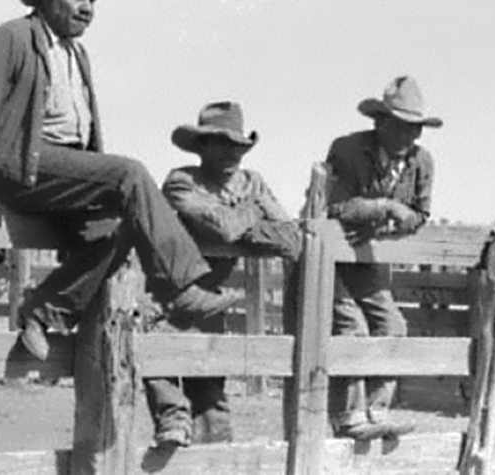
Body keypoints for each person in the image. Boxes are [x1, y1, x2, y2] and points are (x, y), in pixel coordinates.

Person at [0, 0, 239, 361]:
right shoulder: (8, 40)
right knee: (129, 174)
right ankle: (183, 289)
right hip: (20, 166)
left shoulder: (75, 53)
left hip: (61, 172)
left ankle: (45, 311)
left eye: (93, 0)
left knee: (117, 229)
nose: (87, 8)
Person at [143, 101, 301, 448]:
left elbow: (289, 234)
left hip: (211, 297)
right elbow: (222, 228)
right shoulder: (182, 181)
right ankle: (173, 423)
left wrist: (249, 222)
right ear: (202, 145)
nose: (232, 153)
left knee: (212, 405)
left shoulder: (251, 182)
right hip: (167, 295)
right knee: (161, 376)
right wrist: (255, 210)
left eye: (239, 146)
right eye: (221, 143)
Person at [324, 76, 440, 440]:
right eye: (403, 127)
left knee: (393, 326)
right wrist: (386, 206)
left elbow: (420, 213)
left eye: (416, 128)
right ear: (381, 123)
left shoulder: (422, 162)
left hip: (369, 258)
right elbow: (336, 206)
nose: (411, 136)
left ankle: (376, 411)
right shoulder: (346, 150)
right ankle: (348, 416)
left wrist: (392, 228)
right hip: (329, 258)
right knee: (350, 327)